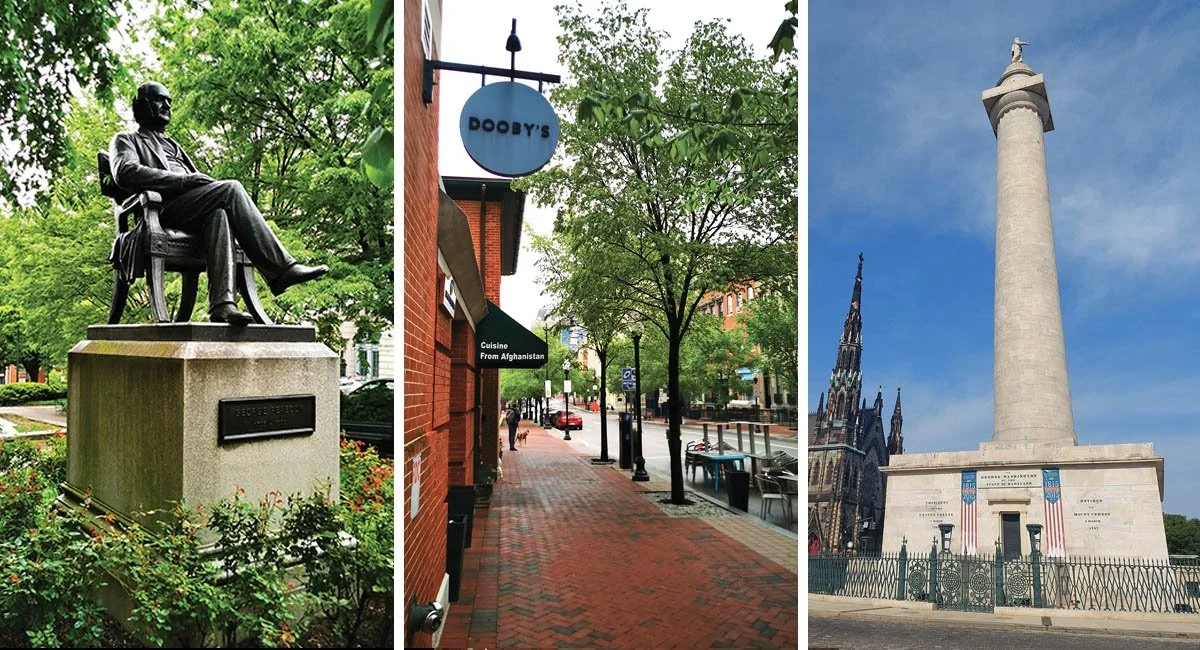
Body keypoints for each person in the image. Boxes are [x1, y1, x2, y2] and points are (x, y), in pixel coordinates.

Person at [109, 82, 329, 325]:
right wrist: (184, 181)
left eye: (169, 101)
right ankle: (283, 270)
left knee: (219, 214)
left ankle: (222, 305)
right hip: (161, 210)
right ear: (142, 106)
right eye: (160, 100)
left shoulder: (174, 145)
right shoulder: (126, 139)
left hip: (192, 210)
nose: (167, 106)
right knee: (231, 188)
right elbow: (126, 172)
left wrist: (196, 184)